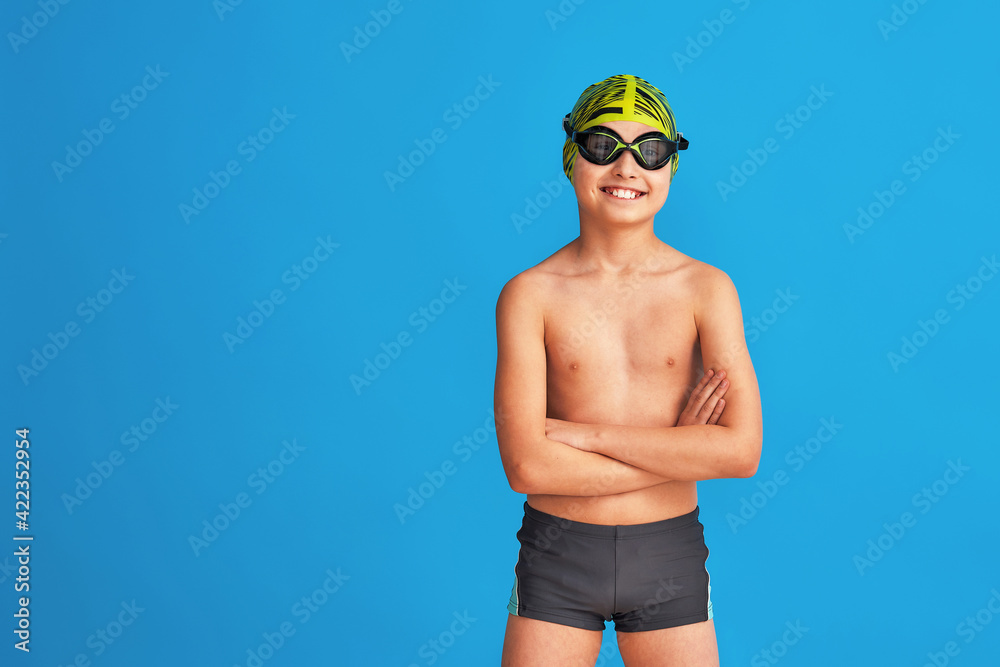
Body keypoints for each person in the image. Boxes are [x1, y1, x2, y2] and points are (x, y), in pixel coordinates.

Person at [494, 74, 763, 666]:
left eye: (651, 150)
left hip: (668, 555)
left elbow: (741, 453)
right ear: (572, 156)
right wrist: (680, 451)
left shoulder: (706, 290)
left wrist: (585, 437)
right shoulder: (529, 295)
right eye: (602, 146)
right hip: (558, 557)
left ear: (671, 166)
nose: (626, 167)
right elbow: (525, 464)